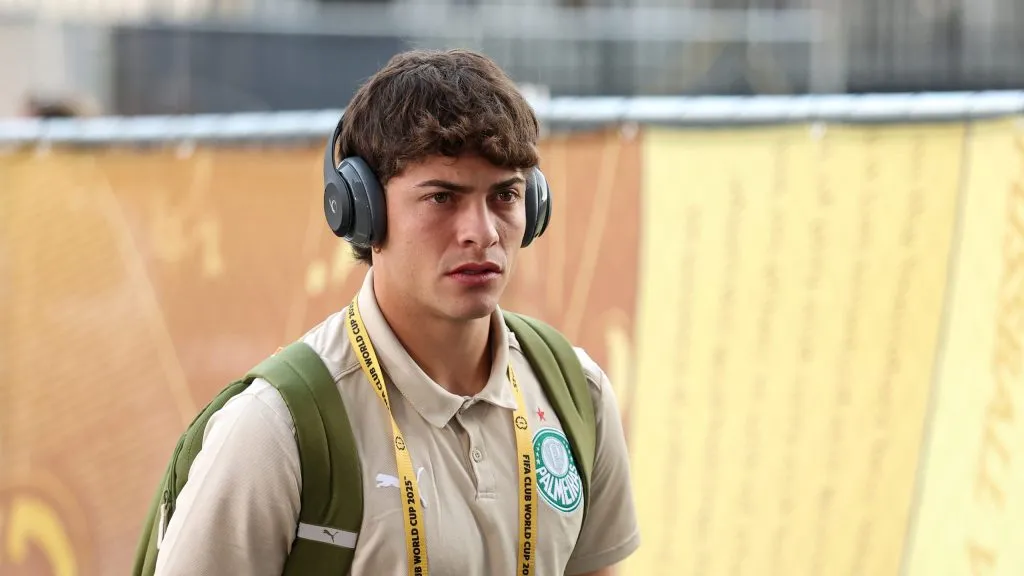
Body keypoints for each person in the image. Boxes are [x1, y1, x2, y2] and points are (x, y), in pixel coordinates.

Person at [154, 48, 640, 576]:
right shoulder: (275, 428)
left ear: (536, 205)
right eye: (442, 198)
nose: (481, 231)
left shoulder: (577, 392)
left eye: (505, 195)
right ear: (363, 211)